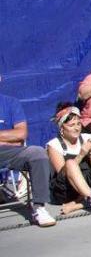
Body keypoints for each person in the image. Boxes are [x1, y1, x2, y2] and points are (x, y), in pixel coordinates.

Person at [0, 81, 58, 227]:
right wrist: (9, 138)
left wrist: (11, 141)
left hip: (7, 152)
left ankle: (39, 208)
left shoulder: (10, 103)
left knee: (37, 153)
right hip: (8, 146)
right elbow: (15, 137)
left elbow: (21, 133)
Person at [46, 104, 91, 214]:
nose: (76, 128)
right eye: (71, 125)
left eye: (78, 124)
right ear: (62, 128)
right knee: (70, 163)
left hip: (87, 178)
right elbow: (63, 173)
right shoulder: (54, 146)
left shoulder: (87, 138)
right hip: (67, 188)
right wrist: (81, 154)